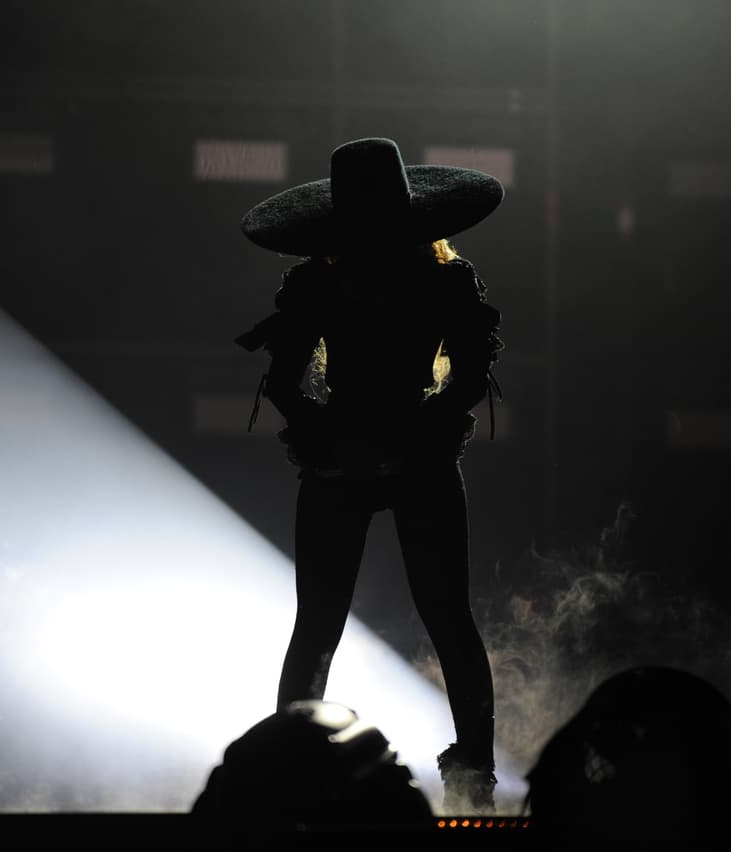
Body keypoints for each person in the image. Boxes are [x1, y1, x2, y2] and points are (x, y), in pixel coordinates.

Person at [235, 137, 505, 814]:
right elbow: (286, 384)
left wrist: (372, 438)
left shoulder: (358, 281)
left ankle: (290, 776)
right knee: (407, 621)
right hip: (370, 457)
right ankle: (466, 774)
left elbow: (286, 384)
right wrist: (345, 439)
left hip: (378, 455)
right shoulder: (410, 279)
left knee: (338, 625)